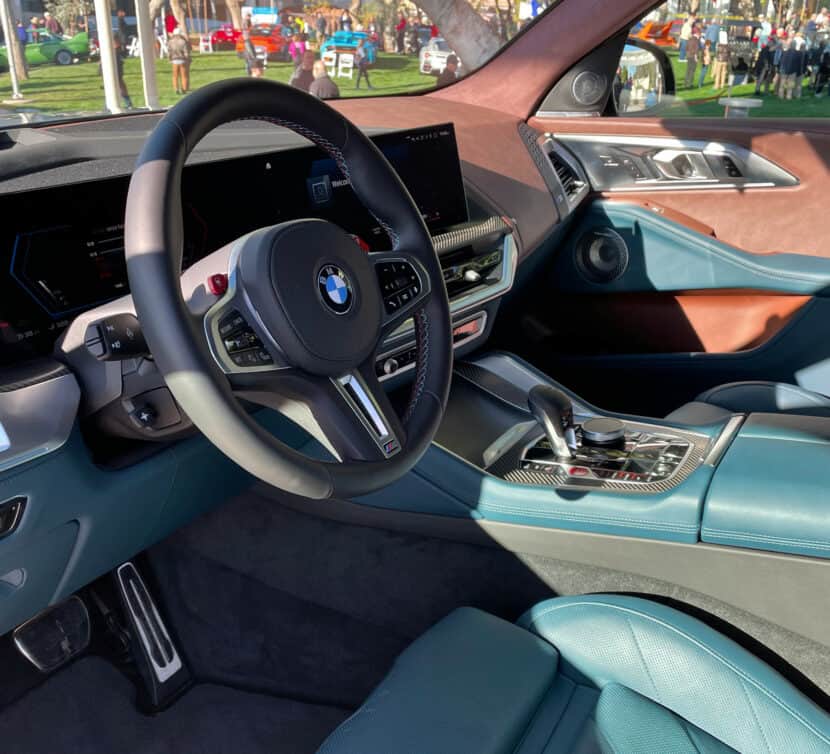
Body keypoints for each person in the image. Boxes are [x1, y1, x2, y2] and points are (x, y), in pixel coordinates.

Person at [167, 26, 191, 95]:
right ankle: (184, 89)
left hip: (174, 60)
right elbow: (186, 52)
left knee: (175, 76)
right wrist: (188, 59)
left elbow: (169, 51)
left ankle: (176, 89)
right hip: (182, 60)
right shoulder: (183, 42)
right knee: (184, 76)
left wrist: (169, 58)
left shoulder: (170, 41)